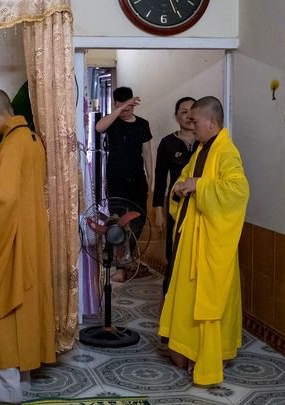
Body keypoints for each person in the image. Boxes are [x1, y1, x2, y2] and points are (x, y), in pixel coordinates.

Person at [0, 89, 56, 403]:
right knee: (24, 310)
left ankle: (4, 392)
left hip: (12, 242)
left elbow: (4, 200)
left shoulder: (11, 143)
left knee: (0, 310)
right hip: (31, 237)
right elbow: (17, 190)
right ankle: (24, 381)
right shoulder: (31, 139)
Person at [158, 96, 249, 386]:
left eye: (195, 120)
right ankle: (187, 350)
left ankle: (207, 356)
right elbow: (182, 180)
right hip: (191, 241)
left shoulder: (226, 152)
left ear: (211, 122)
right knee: (185, 300)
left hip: (210, 245)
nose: (190, 124)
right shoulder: (201, 150)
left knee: (206, 303)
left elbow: (238, 191)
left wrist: (200, 185)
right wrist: (181, 187)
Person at [95, 86, 153, 282]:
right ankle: (120, 267)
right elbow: (98, 128)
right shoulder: (112, 123)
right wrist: (119, 110)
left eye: (129, 108)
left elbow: (147, 153)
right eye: (122, 108)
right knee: (117, 223)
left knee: (138, 222)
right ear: (116, 105)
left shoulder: (143, 125)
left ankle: (127, 259)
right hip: (116, 179)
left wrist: (151, 180)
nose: (126, 111)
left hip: (137, 179)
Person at [153, 97, 198, 295]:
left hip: (201, 207)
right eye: (183, 111)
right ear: (176, 116)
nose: (189, 116)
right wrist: (159, 212)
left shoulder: (207, 143)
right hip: (176, 207)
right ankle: (169, 300)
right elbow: (160, 179)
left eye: (192, 111)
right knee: (174, 253)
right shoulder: (168, 143)